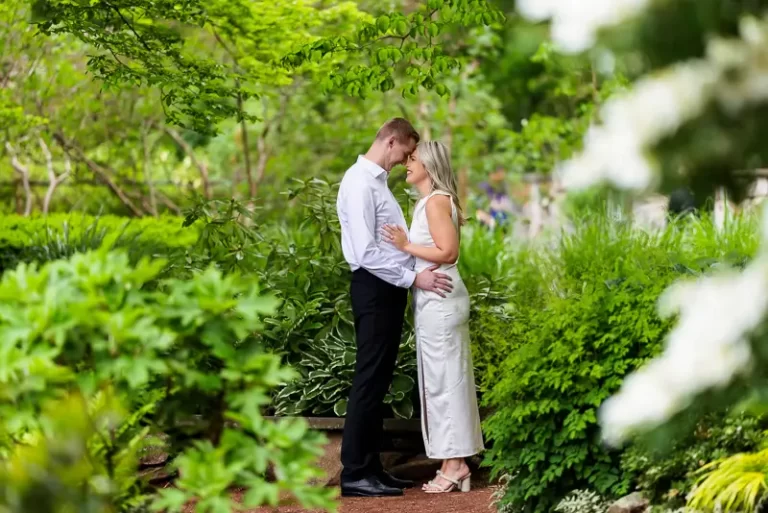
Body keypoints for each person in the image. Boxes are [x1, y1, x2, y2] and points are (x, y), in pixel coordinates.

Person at [336, 118, 454, 498]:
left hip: (386, 289)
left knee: (379, 380)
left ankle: (372, 469)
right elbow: (366, 251)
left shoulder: (377, 184)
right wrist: (412, 278)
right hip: (373, 288)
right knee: (369, 378)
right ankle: (354, 472)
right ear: (390, 142)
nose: (406, 160)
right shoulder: (358, 182)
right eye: (405, 152)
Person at [383, 140, 484, 494]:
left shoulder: (436, 202)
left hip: (441, 298)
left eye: (413, 159)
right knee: (443, 379)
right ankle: (452, 460)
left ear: (429, 164)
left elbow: (449, 251)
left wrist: (404, 246)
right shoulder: (432, 202)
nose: (406, 164)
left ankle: (455, 463)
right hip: (436, 297)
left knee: (445, 381)